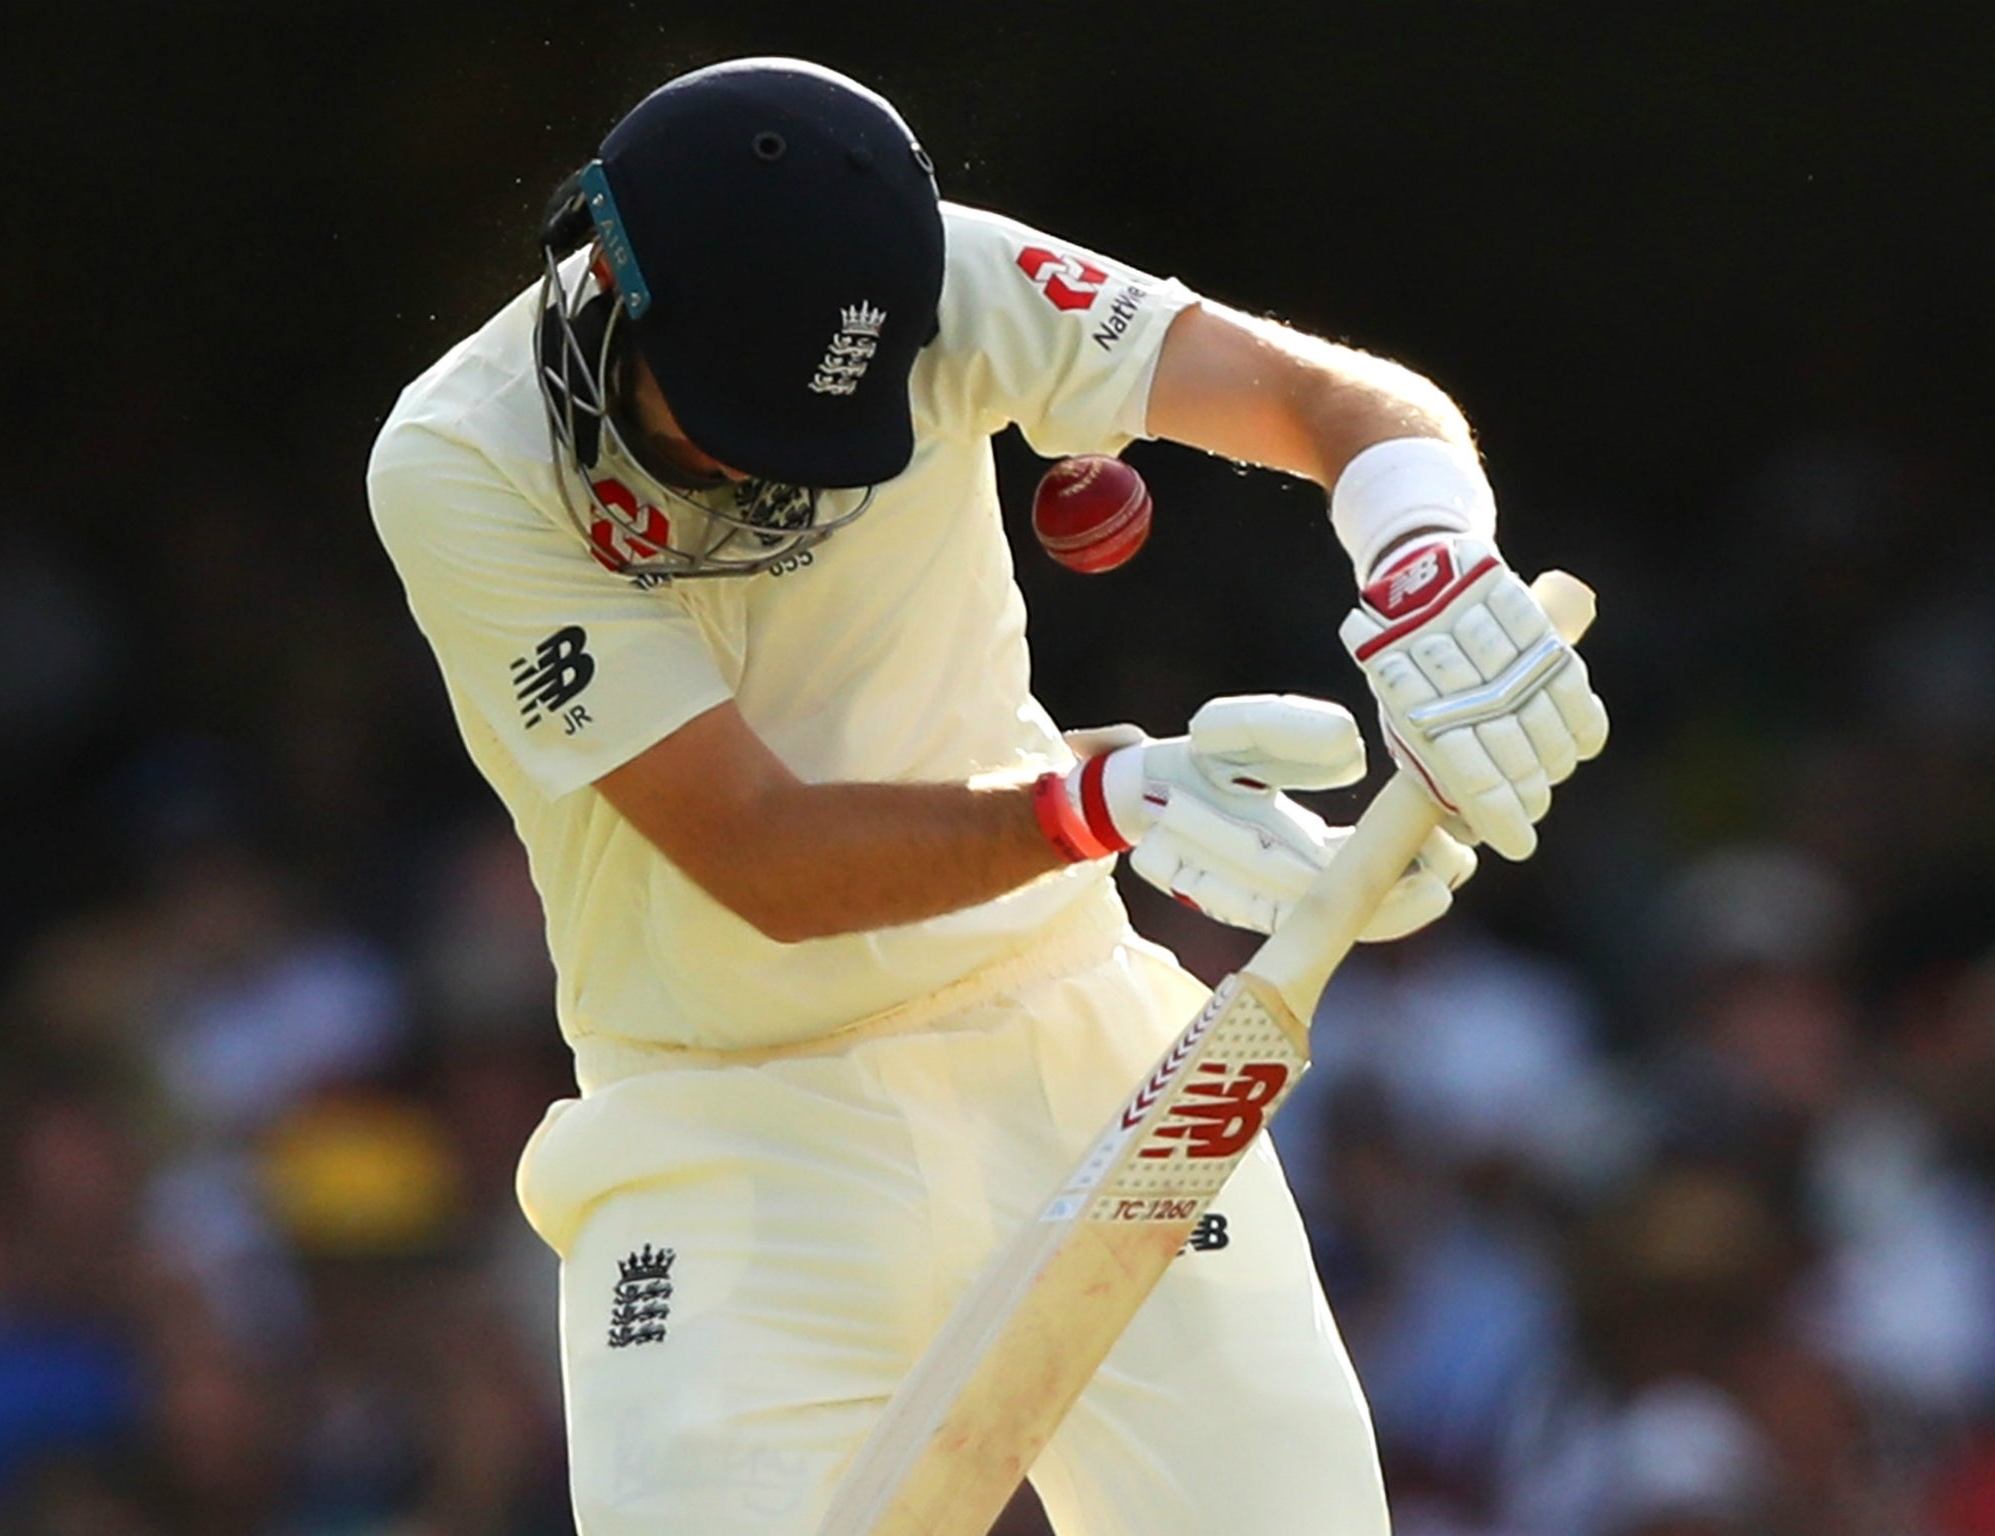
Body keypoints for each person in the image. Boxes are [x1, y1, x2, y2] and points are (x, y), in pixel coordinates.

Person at [366, 56, 1604, 1536]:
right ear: (610, 295)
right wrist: (1102, 800)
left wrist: (1427, 563)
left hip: (1077, 1059)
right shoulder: (460, 461)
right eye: (734, 430)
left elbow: (1322, 397)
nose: (774, 490)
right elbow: (760, 855)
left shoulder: (927, 276)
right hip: (725, 1135)